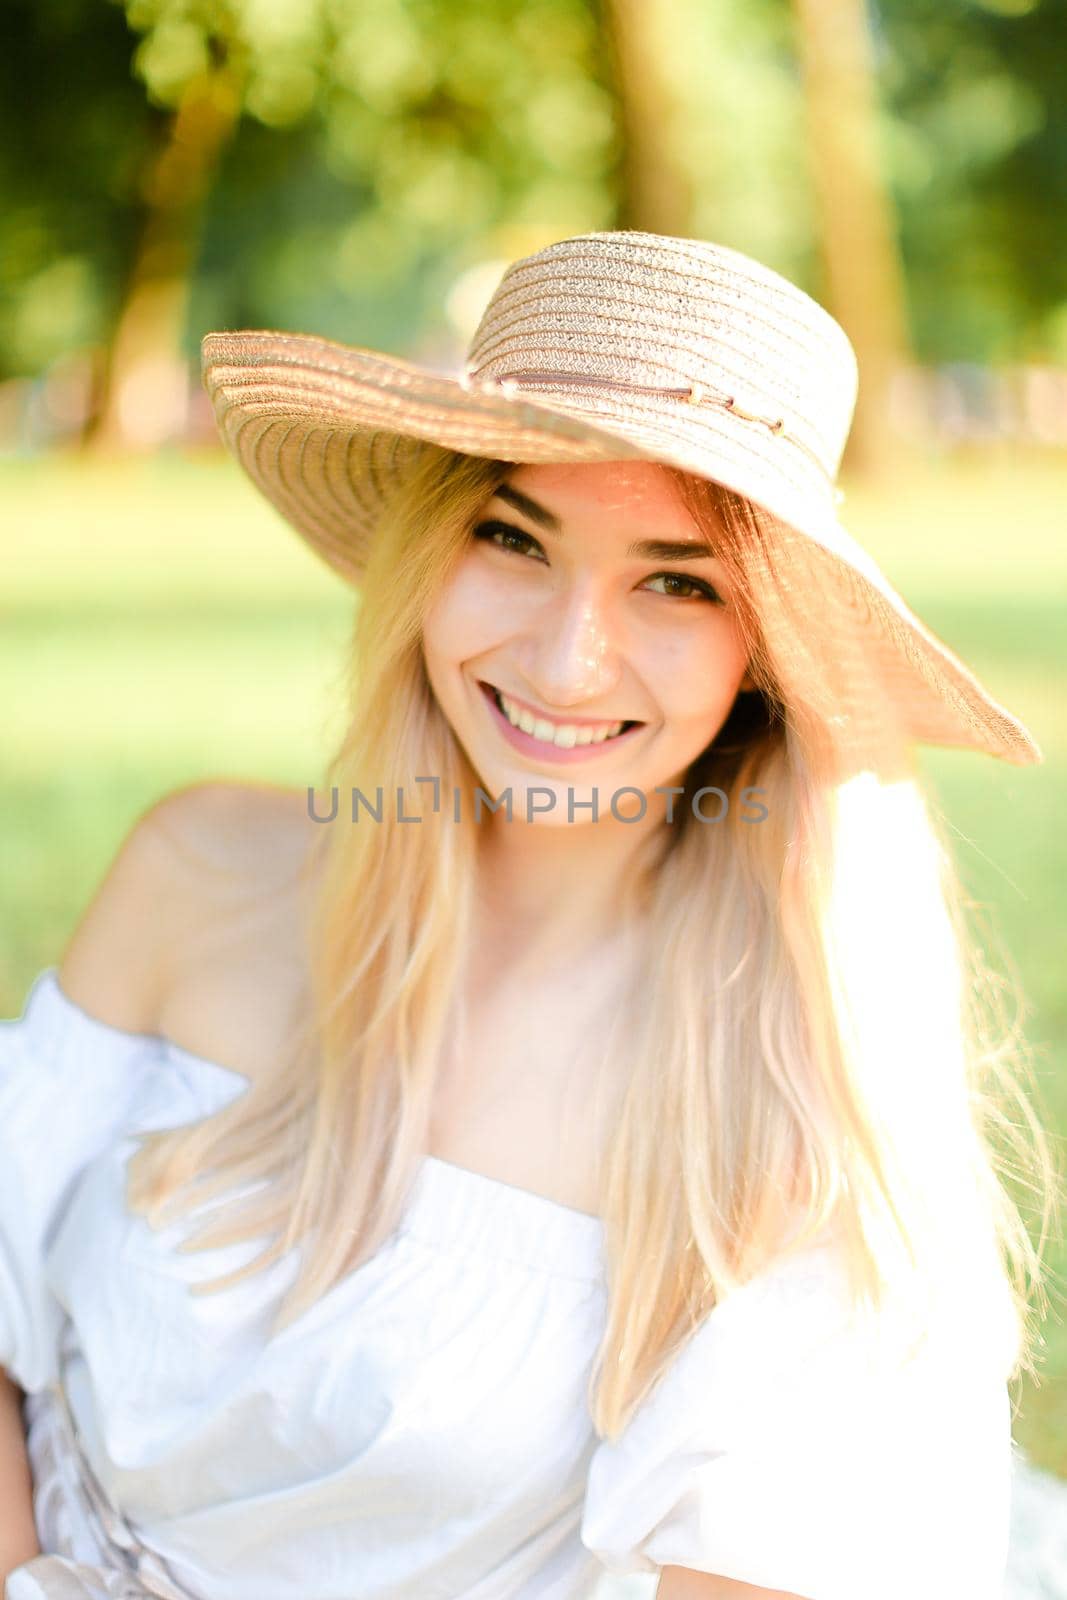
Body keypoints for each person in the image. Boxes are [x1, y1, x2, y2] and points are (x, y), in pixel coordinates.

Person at [0, 230, 1053, 1600]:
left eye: (678, 581)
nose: (567, 660)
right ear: (431, 552)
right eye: (513, 535)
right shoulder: (198, 871)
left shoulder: (789, 1097)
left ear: (764, 658)